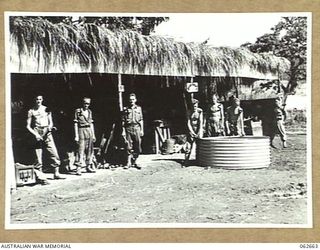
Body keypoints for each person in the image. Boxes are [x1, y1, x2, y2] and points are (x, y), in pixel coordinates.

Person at [26, 95, 63, 184]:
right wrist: (36, 134)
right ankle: (40, 176)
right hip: (37, 131)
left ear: (42, 100)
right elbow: (28, 126)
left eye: (40, 99)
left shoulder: (47, 109)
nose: (38, 101)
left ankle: (56, 173)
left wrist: (49, 128)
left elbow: (51, 122)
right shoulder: (31, 111)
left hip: (47, 131)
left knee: (53, 152)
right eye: (37, 99)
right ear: (34, 100)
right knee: (38, 156)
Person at [74, 97, 96, 174]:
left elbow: (91, 124)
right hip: (81, 130)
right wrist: (76, 135)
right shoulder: (78, 111)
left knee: (90, 149)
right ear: (82, 103)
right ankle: (78, 167)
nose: (86, 105)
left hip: (89, 130)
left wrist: (93, 135)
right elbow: (75, 124)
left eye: (88, 104)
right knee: (80, 149)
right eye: (85, 103)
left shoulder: (90, 112)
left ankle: (88, 166)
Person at [122, 93, 144, 169]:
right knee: (128, 145)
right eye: (130, 99)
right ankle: (128, 162)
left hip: (137, 127)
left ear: (135, 100)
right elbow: (123, 121)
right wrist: (123, 131)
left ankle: (136, 161)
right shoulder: (126, 109)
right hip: (128, 128)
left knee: (138, 144)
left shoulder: (139, 109)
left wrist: (142, 130)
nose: (132, 101)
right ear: (129, 100)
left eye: (133, 99)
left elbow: (141, 120)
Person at [184, 98, 204, 166]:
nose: (194, 107)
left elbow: (201, 122)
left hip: (198, 128)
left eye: (196, 106)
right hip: (191, 129)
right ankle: (186, 162)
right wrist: (191, 132)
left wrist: (198, 132)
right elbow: (188, 123)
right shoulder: (189, 112)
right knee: (188, 147)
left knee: (199, 147)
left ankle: (198, 161)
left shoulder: (200, 111)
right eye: (193, 106)